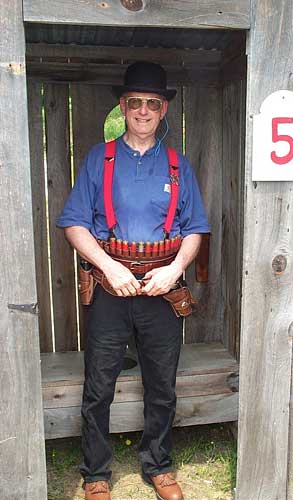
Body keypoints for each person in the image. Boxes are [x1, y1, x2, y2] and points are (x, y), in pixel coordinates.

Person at [57, 61, 210, 500]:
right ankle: (96, 474)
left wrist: (174, 270)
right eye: (135, 102)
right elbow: (73, 224)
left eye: (152, 103)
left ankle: (159, 465)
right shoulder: (98, 159)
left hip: (163, 290)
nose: (143, 110)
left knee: (162, 384)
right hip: (110, 288)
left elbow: (196, 228)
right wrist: (110, 267)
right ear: (123, 107)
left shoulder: (178, 166)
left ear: (164, 111)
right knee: (98, 384)